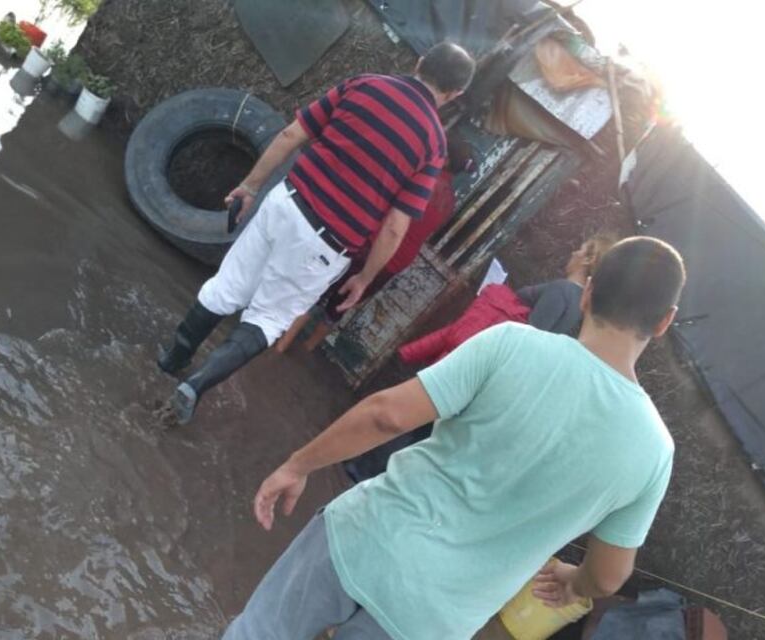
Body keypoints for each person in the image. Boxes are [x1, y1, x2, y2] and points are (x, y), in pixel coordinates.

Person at [224, 236, 686, 640]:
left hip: (364, 537)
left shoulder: (514, 343)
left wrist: (298, 465)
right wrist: (573, 580)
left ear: (587, 293)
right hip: (432, 620)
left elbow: (386, 415)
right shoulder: (654, 451)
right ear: (665, 321)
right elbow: (608, 576)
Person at [156, 42, 476, 425]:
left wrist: (250, 185)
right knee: (268, 319)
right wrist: (365, 278)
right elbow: (395, 226)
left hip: (286, 202)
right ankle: (195, 385)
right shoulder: (433, 145)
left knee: (227, 287)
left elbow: (291, 135)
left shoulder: (364, 84)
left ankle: (171, 360)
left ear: (420, 62)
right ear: (456, 93)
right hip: (325, 244)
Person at [275, 133, 475, 353]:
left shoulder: (423, 184)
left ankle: (282, 344)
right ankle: (308, 347)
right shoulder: (449, 203)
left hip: (373, 247)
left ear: (444, 159)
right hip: (395, 262)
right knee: (342, 303)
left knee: (321, 288)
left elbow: (389, 215)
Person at [398, 233, 617, 366]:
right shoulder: (578, 304)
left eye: (581, 249)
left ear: (588, 259)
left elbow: (526, 334)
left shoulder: (561, 290)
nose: (574, 252)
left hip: (485, 353)